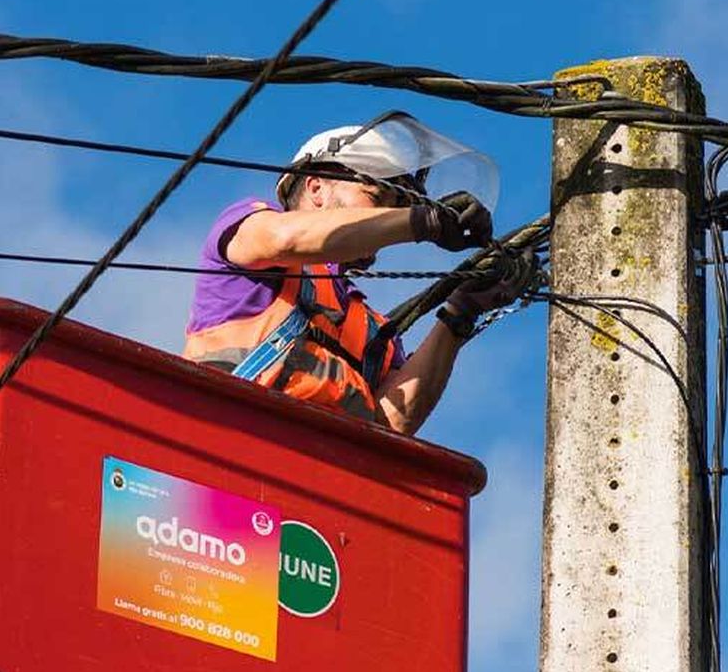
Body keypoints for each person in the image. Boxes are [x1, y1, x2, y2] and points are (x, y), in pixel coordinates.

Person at [184, 111, 532, 436]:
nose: (387, 216)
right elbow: (286, 237)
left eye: (397, 207)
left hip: (316, 474)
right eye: (377, 196)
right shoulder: (252, 228)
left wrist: (460, 312)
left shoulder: (374, 329)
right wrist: (423, 221)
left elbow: (392, 423)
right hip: (222, 439)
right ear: (317, 188)